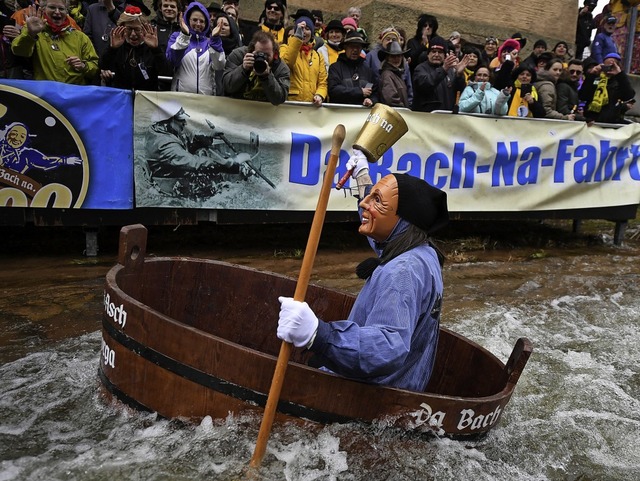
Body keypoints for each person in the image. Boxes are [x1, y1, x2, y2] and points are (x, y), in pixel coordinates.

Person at [276, 163, 449, 392]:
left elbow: (388, 348)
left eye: (376, 200)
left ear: (403, 221)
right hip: (405, 382)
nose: (364, 203)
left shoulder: (401, 272)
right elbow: (380, 232)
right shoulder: (421, 251)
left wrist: (320, 335)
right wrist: (362, 177)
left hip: (375, 393)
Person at [145, 104, 253, 196]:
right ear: (168, 121)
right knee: (228, 190)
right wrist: (230, 163)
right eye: (182, 120)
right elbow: (194, 163)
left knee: (204, 154)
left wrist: (208, 138)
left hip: (171, 172)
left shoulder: (161, 131)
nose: (185, 123)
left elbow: (183, 148)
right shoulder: (163, 143)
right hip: (171, 185)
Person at [11, 0, 99, 85]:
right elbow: (19, 51)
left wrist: (83, 66)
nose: (57, 12)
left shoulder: (80, 37)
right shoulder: (35, 32)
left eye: (61, 9)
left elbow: (95, 68)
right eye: (52, 7)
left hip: (74, 95)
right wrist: (30, 34)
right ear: (43, 9)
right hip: (45, 95)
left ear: (66, 11)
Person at [99, 5, 168, 90]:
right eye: (129, 29)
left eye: (137, 29)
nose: (133, 34)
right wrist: (112, 49)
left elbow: (165, 71)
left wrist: (155, 50)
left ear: (144, 29)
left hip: (146, 97)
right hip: (122, 96)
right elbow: (103, 66)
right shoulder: (117, 45)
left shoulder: (152, 46)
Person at [166, 1, 225, 95]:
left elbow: (219, 66)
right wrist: (185, 35)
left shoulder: (210, 42)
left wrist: (215, 40)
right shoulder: (177, 37)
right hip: (181, 99)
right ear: (188, 20)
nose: (198, 24)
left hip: (205, 101)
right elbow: (173, 60)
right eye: (194, 20)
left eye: (202, 21)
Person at [222, 30, 290, 104]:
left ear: (274, 53)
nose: (263, 58)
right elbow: (227, 87)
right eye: (259, 53)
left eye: (267, 55)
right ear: (252, 50)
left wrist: (267, 77)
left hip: (264, 112)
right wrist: (243, 69)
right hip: (237, 109)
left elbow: (279, 99)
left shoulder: (281, 68)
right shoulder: (238, 56)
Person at [411, 36, 468, 112]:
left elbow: (459, 91)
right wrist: (443, 70)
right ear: (428, 54)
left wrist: (459, 75)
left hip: (446, 117)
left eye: (440, 52)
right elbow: (425, 84)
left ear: (445, 55)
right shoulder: (420, 69)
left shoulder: (450, 70)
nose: (436, 55)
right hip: (426, 117)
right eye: (433, 51)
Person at [279, 15, 327, 106]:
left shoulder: (318, 56)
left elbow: (322, 82)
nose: (304, 31)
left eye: (307, 29)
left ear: (312, 33)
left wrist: (319, 95)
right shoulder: (285, 48)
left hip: (311, 106)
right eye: (301, 28)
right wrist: (297, 38)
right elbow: (286, 64)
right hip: (290, 104)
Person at [1, 121, 82, 174]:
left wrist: (64, 160)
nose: (17, 138)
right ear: (6, 134)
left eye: (22, 136)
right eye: (14, 134)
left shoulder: (27, 154)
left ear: (25, 140)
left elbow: (46, 161)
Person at [580, 52, 636, 124]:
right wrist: (591, 75)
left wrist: (619, 74)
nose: (608, 69)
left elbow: (628, 95)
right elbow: (583, 96)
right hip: (592, 122)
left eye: (611, 66)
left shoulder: (620, 81)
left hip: (611, 122)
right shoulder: (595, 79)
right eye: (606, 65)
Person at [364, 26, 413, 105]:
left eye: (394, 40)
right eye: (388, 39)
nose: (390, 41)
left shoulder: (403, 62)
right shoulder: (371, 56)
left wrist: (409, 105)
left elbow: (408, 86)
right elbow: (367, 77)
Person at [327, 30, 377, 106]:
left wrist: (371, 100)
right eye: (352, 46)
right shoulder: (335, 68)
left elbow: (375, 92)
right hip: (339, 114)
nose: (355, 50)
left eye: (358, 47)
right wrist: (360, 92)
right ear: (345, 48)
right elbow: (333, 90)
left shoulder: (368, 71)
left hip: (362, 115)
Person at [151, 0, 180, 89]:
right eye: (166, 6)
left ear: (178, 9)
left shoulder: (183, 29)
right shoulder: (153, 27)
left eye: (172, 6)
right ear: (160, 8)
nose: (169, 9)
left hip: (177, 78)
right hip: (156, 78)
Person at [377, 39, 411, 108]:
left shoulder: (397, 74)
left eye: (398, 56)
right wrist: (404, 110)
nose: (396, 59)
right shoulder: (387, 75)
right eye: (393, 56)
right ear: (387, 58)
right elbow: (391, 100)